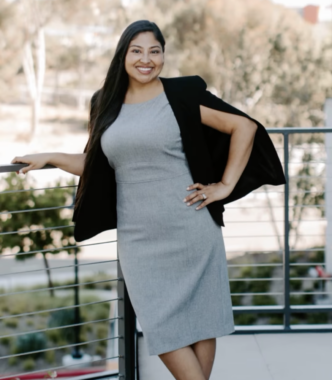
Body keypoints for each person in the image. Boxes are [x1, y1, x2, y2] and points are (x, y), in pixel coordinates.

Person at [12, 20, 286, 380]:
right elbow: (97, 165)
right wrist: (49, 157)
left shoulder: (181, 96)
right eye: (136, 51)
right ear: (123, 55)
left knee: (201, 324)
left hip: (192, 228)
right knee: (163, 326)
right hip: (139, 240)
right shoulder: (104, 103)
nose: (146, 59)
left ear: (163, 55)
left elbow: (244, 127)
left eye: (154, 51)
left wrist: (224, 185)